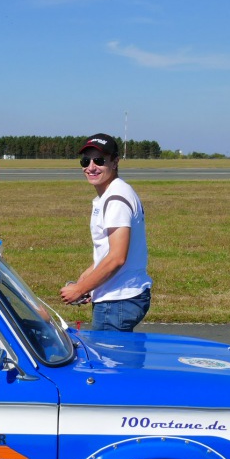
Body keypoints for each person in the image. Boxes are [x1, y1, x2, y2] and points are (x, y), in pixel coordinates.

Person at [59, 133, 152, 332]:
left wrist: (80, 289)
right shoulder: (112, 194)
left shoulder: (116, 198)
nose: (91, 167)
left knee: (110, 361)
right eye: (85, 161)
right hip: (118, 297)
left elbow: (117, 257)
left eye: (99, 160)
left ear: (115, 162)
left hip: (117, 300)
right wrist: (87, 277)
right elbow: (109, 251)